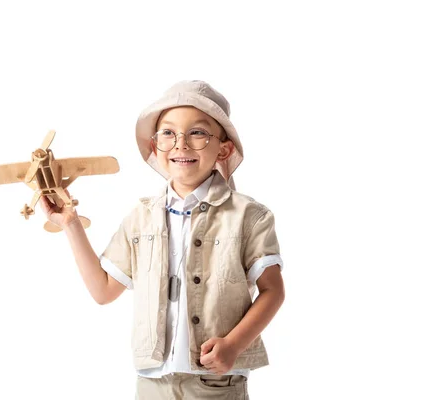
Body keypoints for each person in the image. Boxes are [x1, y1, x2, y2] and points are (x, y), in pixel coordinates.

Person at [40, 80, 285, 399]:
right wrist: (71, 224)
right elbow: (102, 291)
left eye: (197, 132)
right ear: (155, 148)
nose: (181, 144)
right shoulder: (140, 218)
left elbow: (273, 291)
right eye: (168, 133)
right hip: (153, 383)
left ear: (223, 148)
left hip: (216, 382)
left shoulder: (249, 216)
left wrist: (234, 344)